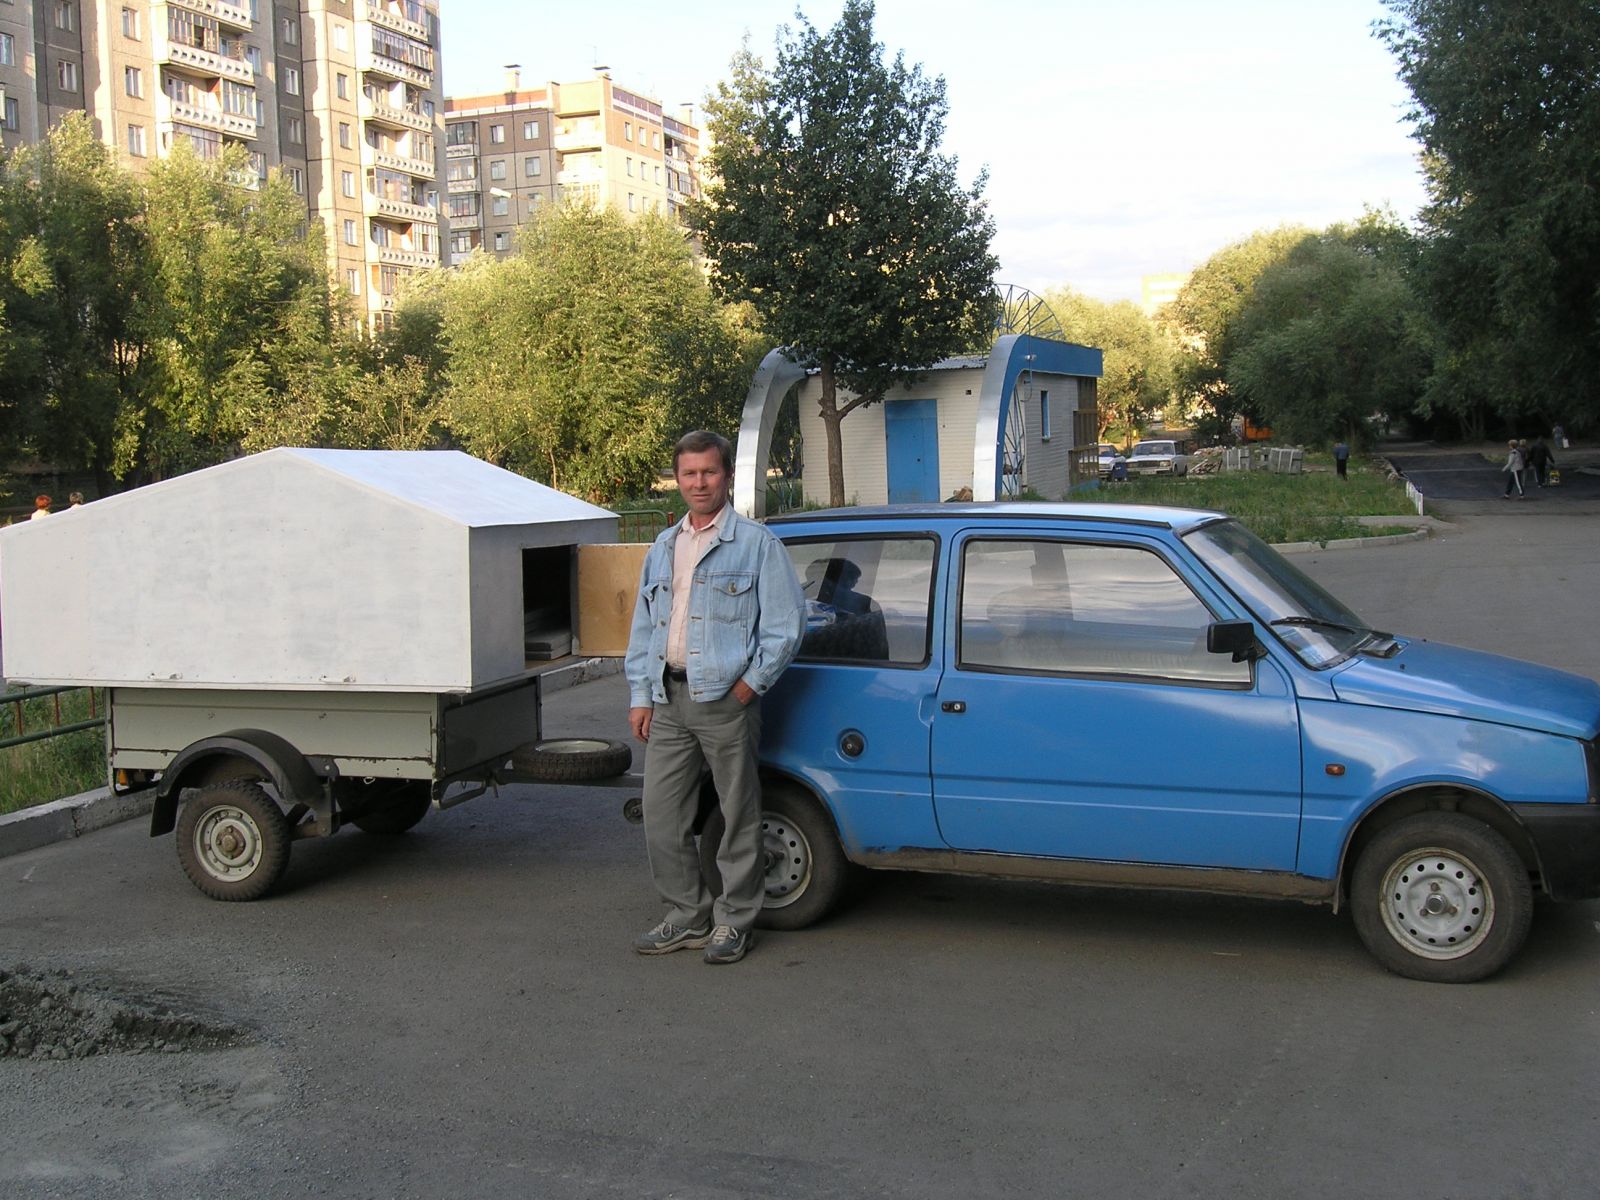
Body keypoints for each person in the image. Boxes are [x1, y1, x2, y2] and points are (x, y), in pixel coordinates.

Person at [624, 430, 806, 965]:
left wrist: (748, 687)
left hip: (727, 702)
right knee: (661, 816)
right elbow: (643, 627)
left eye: (708, 472)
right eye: (688, 474)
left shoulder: (757, 544)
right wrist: (641, 693)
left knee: (737, 813)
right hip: (669, 700)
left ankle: (736, 921)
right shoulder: (663, 546)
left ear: (725, 476)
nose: (698, 482)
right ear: (676, 479)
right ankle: (686, 916)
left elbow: (785, 628)